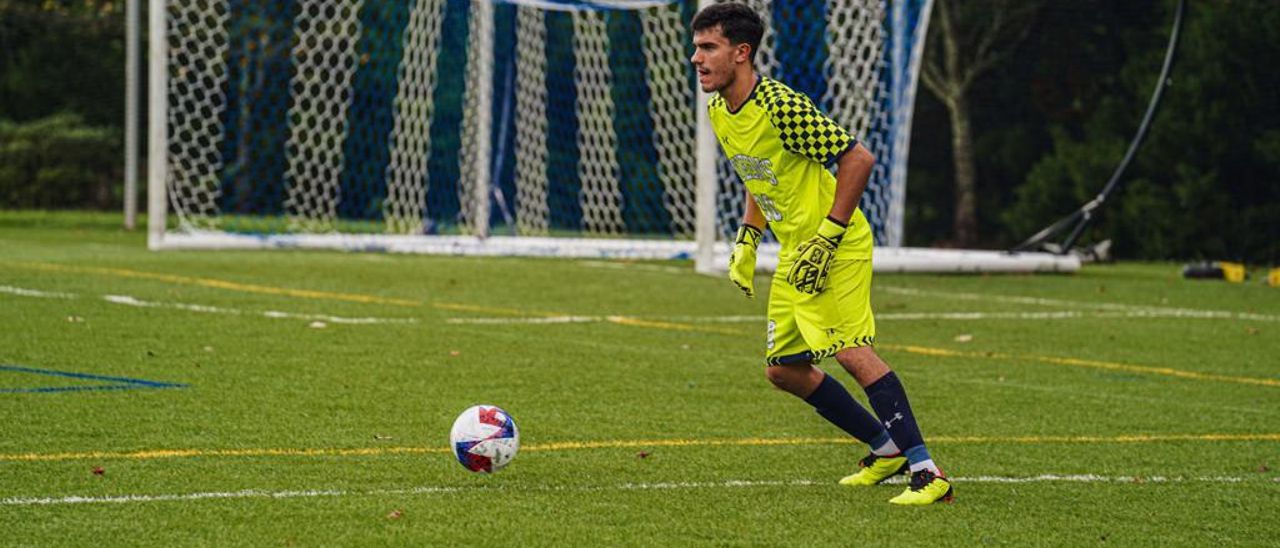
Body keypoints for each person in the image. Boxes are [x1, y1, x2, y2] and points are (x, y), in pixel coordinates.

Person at [690, 2, 952, 505]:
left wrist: (829, 234)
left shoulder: (780, 107)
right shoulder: (720, 108)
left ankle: (928, 472)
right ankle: (887, 448)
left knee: (851, 351)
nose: (696, 58)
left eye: (708, 48)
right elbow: (759, 174)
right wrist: (748, 237)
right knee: (783, 369)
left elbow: (858, 158)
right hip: (795, 249)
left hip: (835, 243)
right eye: (697, 47)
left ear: (741, 53)